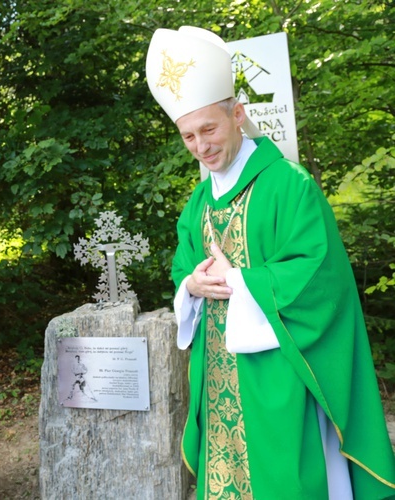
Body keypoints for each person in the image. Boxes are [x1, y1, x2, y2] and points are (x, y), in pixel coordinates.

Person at [146, 26, 395, 499]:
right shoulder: (198, 204)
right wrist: (192, 286)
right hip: (216, 376)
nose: (201, 146)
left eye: (209, 129)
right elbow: (183, 269)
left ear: (237, 115)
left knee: (285, 482)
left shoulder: (289, 185)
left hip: (279, 372)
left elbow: (320, 276)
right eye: (188, 136)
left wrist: (239, 281)